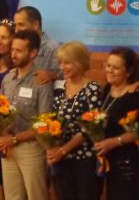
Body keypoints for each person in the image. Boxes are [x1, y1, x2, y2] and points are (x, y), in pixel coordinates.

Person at [0, 30, 53, 200]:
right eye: (12, 49)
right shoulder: (7, 79)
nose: (13, 54)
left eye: (19, 51)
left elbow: (44, 124)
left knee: (36, 196)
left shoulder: (41, 81)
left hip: (31, 147)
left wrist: (14, 139)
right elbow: (0, 112)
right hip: (8, 147)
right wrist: (1, 136)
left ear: (33, 52)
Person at [45, 41, 102, 200]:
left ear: (80, 62)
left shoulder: (92, 88)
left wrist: (63, 151)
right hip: (61, 160)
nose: (62, 67)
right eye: (60, 62)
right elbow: (53, 120)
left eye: (67, 62)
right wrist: (50, 145)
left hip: (84, 160)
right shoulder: (59, 87)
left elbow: (89, 128)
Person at [92, 47, 139, 199]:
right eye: (108, 65)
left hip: (127, 163)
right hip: (108, 160)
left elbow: (136, 132)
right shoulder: (107, 89)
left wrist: (114, 142)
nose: (110, 70)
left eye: (116, 67)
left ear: (129, 72)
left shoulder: (134, 95)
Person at [13, 6, 60, 84]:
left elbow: (65, 76)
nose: (16, 30)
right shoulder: (15, 45)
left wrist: (53, 75)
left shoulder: (53, 48)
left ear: (35, 25)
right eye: (15, 25)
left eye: (21, 25)